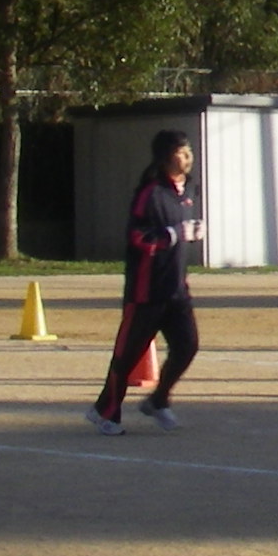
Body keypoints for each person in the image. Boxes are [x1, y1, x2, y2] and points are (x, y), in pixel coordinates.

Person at [90, 130, 201, 434]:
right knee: (128, 355)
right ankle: (105, 412)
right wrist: (173, 234)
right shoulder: (150, 193)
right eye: (181, 152)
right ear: (166, 157)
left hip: (176, 288)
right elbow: (137, 237)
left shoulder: (188, 191)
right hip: (146, 291)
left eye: (189, 151)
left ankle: (158, 400)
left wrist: (192, 231)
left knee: (187, 345)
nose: (188, 157)